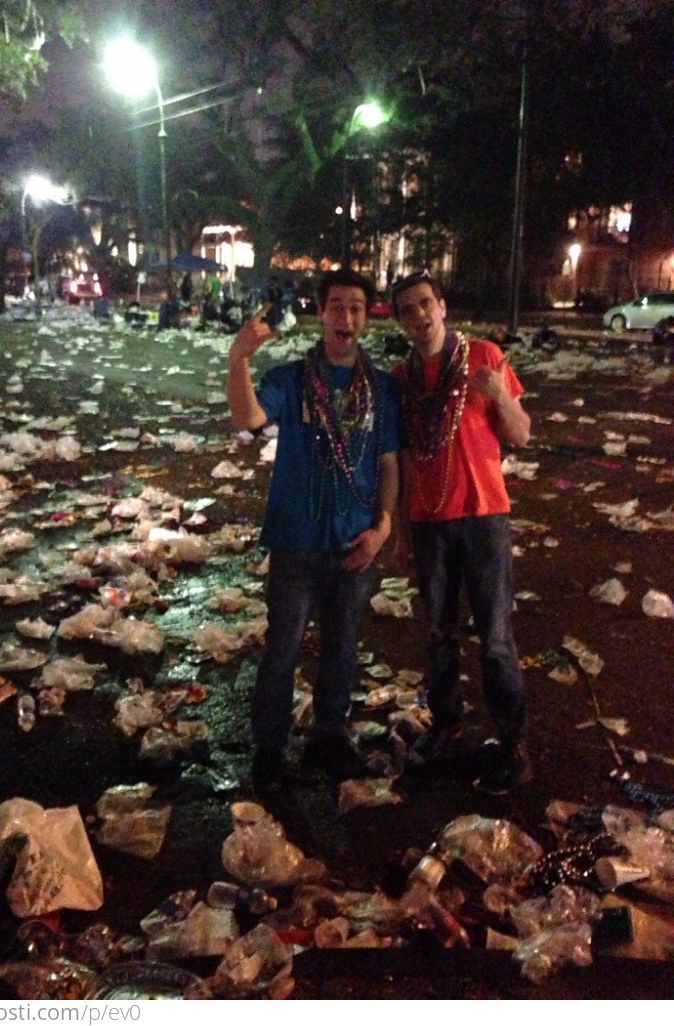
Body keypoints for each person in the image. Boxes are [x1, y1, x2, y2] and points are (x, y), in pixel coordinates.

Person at [227, 268, 402, 792]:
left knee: (343, 645)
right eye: (336, 306)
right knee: (282, 646)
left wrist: (384, 526)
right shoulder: (292, 378)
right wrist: (239, 357)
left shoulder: (383, 389)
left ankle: (329, 736)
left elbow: (390, 462)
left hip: (355, 541)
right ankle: (269, 747)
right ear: (321, 314)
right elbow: (249, 419)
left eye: (356, 307)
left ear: (366, 318)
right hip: (297, 540)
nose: (345, 317)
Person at [391, 270, 532, 795]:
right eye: (408, 309)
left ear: (442, 306)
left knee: (495, 640)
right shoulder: (401, 380)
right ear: (402, 320)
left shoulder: (485, 356)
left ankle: (513, 743)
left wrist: (499, 395)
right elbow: (404, 461)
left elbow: (520, 434)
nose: (420, 315)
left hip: (483, 518)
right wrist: (404, 534)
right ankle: (447, 728)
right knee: (439, 636)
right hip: (429, 525)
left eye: (426, 304)